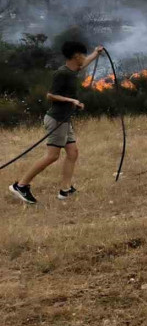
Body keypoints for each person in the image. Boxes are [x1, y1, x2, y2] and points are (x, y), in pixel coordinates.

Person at [9, 41, 104, 204]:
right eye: (82, 55)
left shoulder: (73, 70)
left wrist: (96, 53)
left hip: (65, 120)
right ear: (76, 56)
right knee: (52, 156)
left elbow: (84, 64)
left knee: (73, 153)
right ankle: (21, 185)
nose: (84, 58)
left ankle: (65, 190)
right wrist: (71, 100)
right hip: (56, 120)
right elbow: (50, 95)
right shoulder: (62, 73)